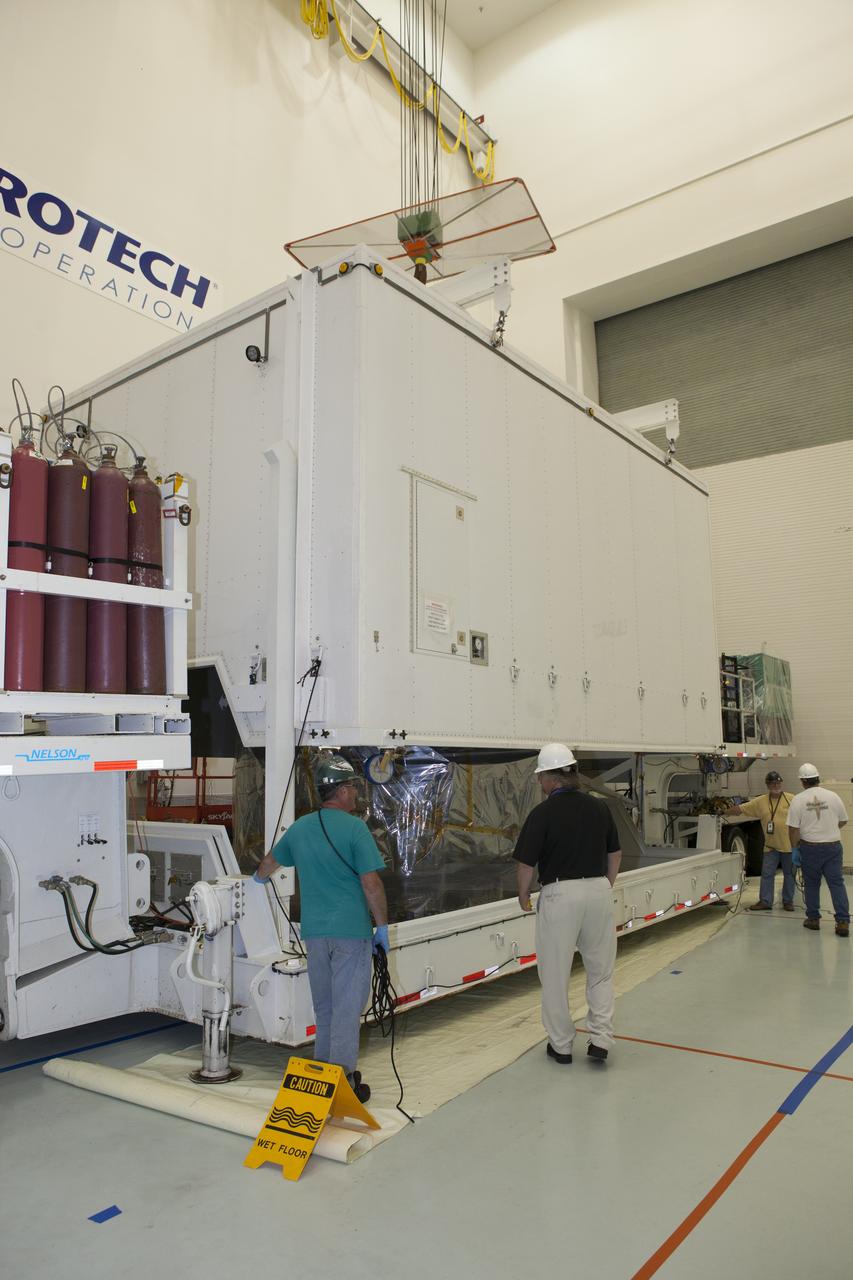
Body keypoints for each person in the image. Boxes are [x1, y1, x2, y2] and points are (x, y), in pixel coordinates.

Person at [254, 755, 389, 1100]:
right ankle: (343, 1080)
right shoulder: (355, 829)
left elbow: (268, 863)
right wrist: (382, 927)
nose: (356, 794)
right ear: (341, 791)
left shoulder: (301, 828)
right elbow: (371, 884)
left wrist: (254, 883)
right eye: (353, 788)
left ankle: (322, 1072)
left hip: (314, 933)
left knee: (325, 1006)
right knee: (346, 1008)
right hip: (350, 933)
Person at [514, 743, 622, 1066]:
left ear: (551, 778)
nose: (539, 782)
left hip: (560, 895)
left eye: (540, 776)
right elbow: (615, 853)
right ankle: (600, 1039)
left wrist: (523, 894)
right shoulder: (599, 808)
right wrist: (605, 884)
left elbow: (526, 863)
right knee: (600, 971)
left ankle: (561, 1046)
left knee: (555, 973)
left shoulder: (542, 813)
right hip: (598, 891)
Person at [787, 763, 849, 937]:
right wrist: (829, 829)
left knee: (812, 885)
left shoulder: (798, 800)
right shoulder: (833, 796)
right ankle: (843, 922)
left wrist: (795, 849)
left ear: (802, 781)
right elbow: (843, 820)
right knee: (836, 884)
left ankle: (813, 919)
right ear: (818, 778)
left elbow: (793, 829)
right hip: (833, 847)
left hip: (809, 848)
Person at [727, 770, 796, 911]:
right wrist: (723, 811)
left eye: (777, 783)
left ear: (781, 783)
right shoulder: (761, 801)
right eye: (772, 783)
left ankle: (788, 901)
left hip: (789, 846)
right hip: (770, 846)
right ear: (768, 785)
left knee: (790, 875)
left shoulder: (792, 799)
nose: (775, 785)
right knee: (767, 874)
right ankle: (765, 901)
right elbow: (741, 808)